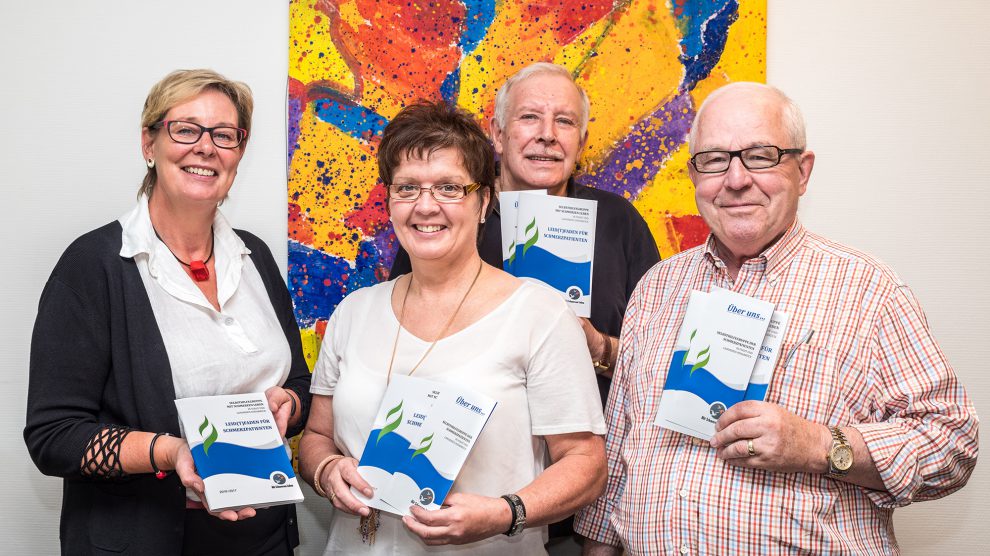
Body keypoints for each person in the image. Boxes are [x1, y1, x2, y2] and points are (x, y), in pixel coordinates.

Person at [576, 82, 979, 555]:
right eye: (714, 159)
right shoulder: (657, 288)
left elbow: (952, 443)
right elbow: (621, 455)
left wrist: (817, 445)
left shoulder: (869, 290)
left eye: (760, 155)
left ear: (803, 171)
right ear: (694, 177)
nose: (736, 178)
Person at [24, 69, 312, 556]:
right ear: (149, 143)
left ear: (239, 155)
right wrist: (171, 451)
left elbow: (299, 381)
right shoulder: (93, 267)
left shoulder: (256, 257)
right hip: (148, 541)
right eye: (185, 129)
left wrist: (290, 404)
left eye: (225, 135)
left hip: (263, 539)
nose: (206, 147)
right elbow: (54, 436)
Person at [299, 101, 606, 555]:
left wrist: (506, 512)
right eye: (407, 188)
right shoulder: (354, 312)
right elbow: (317, 437)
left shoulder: (539, 313)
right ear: (389, 202)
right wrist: (326, 470)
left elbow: (586, 464)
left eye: (448, 187)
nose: (425, 206)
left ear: (484, 202)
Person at [391, 63, 660, 407]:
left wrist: (598, 348)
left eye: (564, 121)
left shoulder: (618, 221)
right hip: (472, 437)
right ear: (498, 134)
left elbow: (659, 359)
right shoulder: (445, 215)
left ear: (581, 142)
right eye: (530, 117)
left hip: (590, 441)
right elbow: (400, 339)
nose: (547, 134)